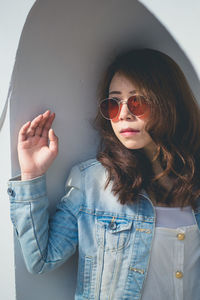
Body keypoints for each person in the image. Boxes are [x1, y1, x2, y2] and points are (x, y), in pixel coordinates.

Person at [8, 48, 200, 300]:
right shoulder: (92, 182)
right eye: (113, 103)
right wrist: (31, 174)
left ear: (168, 102)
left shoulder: (193, 182)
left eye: (137, 101)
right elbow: (40, 260)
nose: (123, 114)